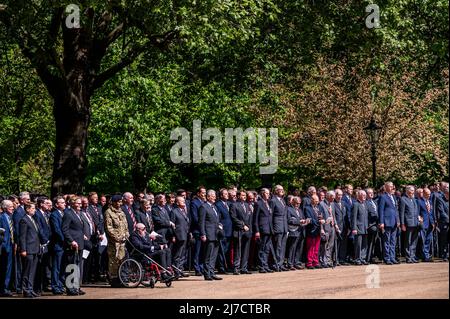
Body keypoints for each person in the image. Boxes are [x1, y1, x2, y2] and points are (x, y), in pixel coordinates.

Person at [62, 197, 86, 296]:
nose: (80, 205)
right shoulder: (68, 214)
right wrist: (71, 241)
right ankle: (70, 288)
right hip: (73, 244)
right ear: (72, 204)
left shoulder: (78, 214)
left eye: (80, 204)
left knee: (77, 266)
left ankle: (76, 286)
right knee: (71, 266)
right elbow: (65, 229)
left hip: (80, 243)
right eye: (78, 203)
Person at [104, 195, 129, 287]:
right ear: (113, 202)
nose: (120, 204)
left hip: (122, 241)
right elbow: (109, 228)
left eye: (121, 202)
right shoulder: (108, 212)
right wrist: (117, 237)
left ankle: (121, 278)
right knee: (113, 260)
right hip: (114, 242)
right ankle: (114, 279)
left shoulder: (121, 212)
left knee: (121, 259)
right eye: (118, 202)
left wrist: (126, 235)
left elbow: (125, 226)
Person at [199, 190, 223, 281]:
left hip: (216, 234)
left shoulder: (215, 207)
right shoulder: (203, 207)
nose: (214, 197)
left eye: (215, 196)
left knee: (214, 255)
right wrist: (203, 234)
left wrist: (220, 225)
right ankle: (207, 273)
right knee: (208, 255)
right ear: (208, 197)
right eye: (212, 196)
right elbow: (201, 222)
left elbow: (217, 219)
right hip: (209, 234)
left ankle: (212, 272)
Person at [19, 203, 40, 298]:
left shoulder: (33, 219)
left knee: (32, 271)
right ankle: (26, 290)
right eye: (33, 208)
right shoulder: (24, 220)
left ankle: (30, 289)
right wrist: (23, 249)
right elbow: (22, 237)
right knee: (27, 270)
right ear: (27, 209)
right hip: (28, 249)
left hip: (35, 248)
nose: (34, 210)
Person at [230, 190, 253, 275]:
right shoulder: (234, 205)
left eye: (245, 195)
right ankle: (236, 268)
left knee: (246, 250)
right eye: (243, 195)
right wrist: (243, 225)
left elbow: (250, 218)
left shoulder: (247, 205)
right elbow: (234, 218)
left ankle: (244, 267)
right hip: (238, 230)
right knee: (238, 250)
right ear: (238, 196)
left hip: (247, 231)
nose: (244, 197)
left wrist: (250, 230)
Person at [378, 182, 400, 265]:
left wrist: (398, 220)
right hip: (387, 222)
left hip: (394, 222)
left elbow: (396, 210)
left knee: (393, 241)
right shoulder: (383, 197)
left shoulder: (393, 197)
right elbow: (381, 210)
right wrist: (381, 222)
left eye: (392, 187)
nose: (392, 188)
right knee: (386, 241)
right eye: (390, 187)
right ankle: (387, 258)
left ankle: (392, 257)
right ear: (386, 187)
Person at [254, 188, 274, 273]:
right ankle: (261, 266)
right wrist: (257, 230)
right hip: (262, 229)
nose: (268, 194)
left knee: (267, 249)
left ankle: (265, 265)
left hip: (269, 229)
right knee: (261, 248)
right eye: (267, 193)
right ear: (262, 194)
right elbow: (255, 219)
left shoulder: (269, 203)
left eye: (269, 193)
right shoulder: (258, 203)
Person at [170, 196, 190, 277]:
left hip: (185, 235)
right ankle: (176, 271)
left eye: (184, 201)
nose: (184, 202)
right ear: (177, 203)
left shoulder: (184, 211)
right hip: (178, 235)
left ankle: (180, 269)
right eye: (182, 201)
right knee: (177, 254)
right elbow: (172, 225)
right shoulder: (174, 211)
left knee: (183, 254)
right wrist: (173, 236)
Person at [49, 196, 65, 295]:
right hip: (58, 244)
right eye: (62, 202)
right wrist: (65, 240)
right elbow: (57, 230)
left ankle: (60, 284)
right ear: (56, 204)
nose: (64, 204)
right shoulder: (54, 215)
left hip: (64, 245)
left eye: (64, 202)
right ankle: (55, 286)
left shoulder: (64, 213)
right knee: (56, 267)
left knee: (62, 266)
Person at [399, 185, 420, 263]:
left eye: (413, 190)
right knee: (408, 241)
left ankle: (412, 256)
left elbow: (416, 211)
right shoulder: (403, 199)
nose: (413, 192)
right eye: (411, 190)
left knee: (414, 241)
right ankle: (408, 257)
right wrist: (402, 224)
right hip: (408, 224)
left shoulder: (414, 200)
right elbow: (401, 213)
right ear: (407, 191)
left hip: (416, 223)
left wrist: (419, 218)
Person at [270, 185, 289, 271]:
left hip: (284, 227)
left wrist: (287, 228)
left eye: (282, 189)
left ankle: (280, 264)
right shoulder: (273, 201)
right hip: (277, 226)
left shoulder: (283, 201)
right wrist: (272, 227)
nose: (282, 191)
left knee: (283, 246)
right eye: (280, 189)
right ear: (276, 191)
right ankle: (275, 264)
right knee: (277, 246)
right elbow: (271, 215)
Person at [286, 196, 307, 270]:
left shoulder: (300, 210)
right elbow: (289, 220)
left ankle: (296, 262)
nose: (297, 205)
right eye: (296, 203)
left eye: (299, 203)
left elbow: (303, 218)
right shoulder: (289, 209)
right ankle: (290, 263)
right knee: (292, 248)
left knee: (299, 248)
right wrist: (299, 222)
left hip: (301, 231)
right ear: (293, 202)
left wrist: (306, 221)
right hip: (293, 231)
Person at [215, 188, 233, 274]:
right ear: (221, 195)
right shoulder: (218, 205)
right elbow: (218, 218)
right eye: (225, 194)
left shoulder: (229, 204)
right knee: (222, 250)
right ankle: (221, 267)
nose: (227, 195)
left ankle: (227, 266)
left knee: (227, 250)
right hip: (223, 231)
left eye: (227, 194)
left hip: (230, 230)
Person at [190, 186, 207, 276]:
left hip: (205, 230)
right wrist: (202, 226)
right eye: (203, 192)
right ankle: (197, 268)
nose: (204, 194)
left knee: (203, 251)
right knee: (197, 250)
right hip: (197, 230)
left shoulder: (205, 202)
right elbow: (195, 217)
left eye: (205, 192)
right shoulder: (194, 203)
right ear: (198, 193)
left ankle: (202, 267)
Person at [0, 200, 15, 297]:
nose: (12, 207)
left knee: (8, 268)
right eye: (10, 206)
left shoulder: (10, 217)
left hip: (11, 246)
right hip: (3, 247)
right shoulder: (1, 218)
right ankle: (3, 289)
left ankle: (6, 287)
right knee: (3, 268)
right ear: (5, 207)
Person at [305, 195, 324, 269]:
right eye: (316, 201)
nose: (317, 202)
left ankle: (315, 261)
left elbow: (321, 216)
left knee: (316, 247)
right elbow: (310, 219)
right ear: (312, 200)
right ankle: (309, 262)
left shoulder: (319, 207)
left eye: (318, 201)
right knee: (311, 247)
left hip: (318, 230)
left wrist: (323, 220)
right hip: (311, 230)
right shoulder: (307, 208)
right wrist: (318, 222)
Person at [418, 188, 436, 262]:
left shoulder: (430, 202)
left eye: (430, 194)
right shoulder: (419, 202)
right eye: (428, 194)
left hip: (430, 224)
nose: (429, 195)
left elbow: (431, 213)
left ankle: (427, 255)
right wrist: (419, 220)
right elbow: (418, 212)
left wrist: (433, 222)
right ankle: (424, 256)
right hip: (423, 224)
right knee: (423, 240)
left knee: (428, 240)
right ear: (424, 194)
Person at [352, 190, 369, 265]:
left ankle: (363, 258)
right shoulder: (356, 204)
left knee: (364, 244)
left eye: (365, 195)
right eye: (363, 195)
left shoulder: (365, 204)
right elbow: (353, 217)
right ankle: (357, 259)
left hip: (365, 227)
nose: (365, 196)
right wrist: (354, 228)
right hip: (358, 227)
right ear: (358, 195)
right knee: (358, 244)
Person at [334, 189, 349, 265]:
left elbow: (347, 215)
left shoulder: (344, 203)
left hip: (344, 226)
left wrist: (349, 227)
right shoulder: (333, 204)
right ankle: (335, 259)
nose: (340, 197)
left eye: (341, 195)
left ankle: (342, 259)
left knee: (343, 243)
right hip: (336, 227)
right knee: (337, 244)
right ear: (335, 195)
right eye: (338, 195)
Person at [365, 188, 379, 263]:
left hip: (376, 224)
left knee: (374, 242)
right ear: (366, 194)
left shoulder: (375, 202)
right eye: (369, 193)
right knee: (369, 242)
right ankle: (367, 258)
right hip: (369, 225)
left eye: (372, 193)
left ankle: (371, 256)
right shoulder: (365, 202)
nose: (371, 194)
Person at [435, 184, 449, 261]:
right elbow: (441, 211)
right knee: (444, 240)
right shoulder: (440, 199)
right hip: (444, 223)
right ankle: (444, 255)